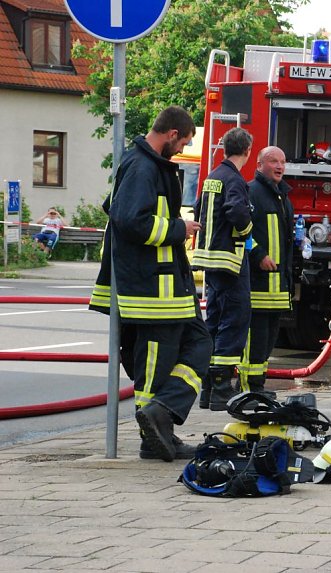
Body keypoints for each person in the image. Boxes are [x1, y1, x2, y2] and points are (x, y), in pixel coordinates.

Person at [89, 105, 211, 462]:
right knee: (155, 367)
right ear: (172, 134)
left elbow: (114, 207)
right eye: (183, 142)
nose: (182, 148)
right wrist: (178, 228)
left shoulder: (149, 165)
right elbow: (129, 219)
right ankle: (155, 435)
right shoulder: (142, 167)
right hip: (152, 292)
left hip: (168, 288)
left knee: (200, 343)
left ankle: (161, 418)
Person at [193, 127, 254, 410]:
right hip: (229, 261)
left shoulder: (212, 177)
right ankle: (221, 388)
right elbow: (237, 211)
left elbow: (198, 209)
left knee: (215, 320)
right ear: (247, 151)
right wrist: (247, 231)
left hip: (209, 260)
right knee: (235, 319)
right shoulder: (235, 179)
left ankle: (208, 387)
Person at [238, 146, 294, 398]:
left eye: (282, 161)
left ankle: (258, 386)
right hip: (258, 286)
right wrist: (258, 255)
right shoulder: (251, 192)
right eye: (273, 161)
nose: (280, 166)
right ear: (259, 165)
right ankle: (247, 389)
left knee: (268, 342)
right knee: (255, 341)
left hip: (277, 288)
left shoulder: (281, 197)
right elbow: (241, 231)